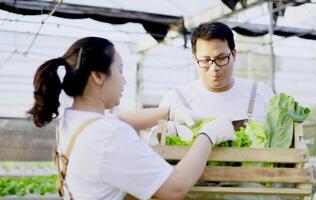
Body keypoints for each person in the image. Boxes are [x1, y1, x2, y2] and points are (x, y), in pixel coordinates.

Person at [27, 37, 236, 200]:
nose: (124, 80)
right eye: (119, 70)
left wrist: (169, 112)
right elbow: (175, 188)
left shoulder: (74, 121)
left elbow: (120, 121)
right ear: (98, 76)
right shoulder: (108, 136)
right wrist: (207, 136)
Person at [152, 22, 274, 141]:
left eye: (221, 58)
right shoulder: (176, 98)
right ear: (195, 59)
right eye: (205, 60)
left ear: (234, 54)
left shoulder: (260, 93)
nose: (214, 68)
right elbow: (157, 147)